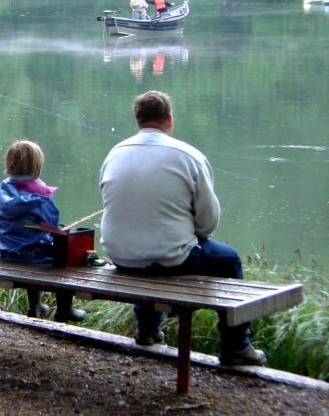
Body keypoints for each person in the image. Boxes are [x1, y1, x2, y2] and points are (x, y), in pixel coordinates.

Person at [98, 91, 266, 366]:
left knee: (148, 249)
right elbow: (208, 223)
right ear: (170, 119)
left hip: (120, 256)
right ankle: (236, 346)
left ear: (138, 120)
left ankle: (148, 331)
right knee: (229, 259)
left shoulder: (114, 153)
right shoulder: (189, 155)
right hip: (169, 259)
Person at [0, 140, 86, 322]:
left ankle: (34, 304)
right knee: (63, 252)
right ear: (37, 166)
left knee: (30, 242)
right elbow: (52, 222)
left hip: (5, 251)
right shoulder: (41, 192)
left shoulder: (4, 186)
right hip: (33, 254)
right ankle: (65, 309)